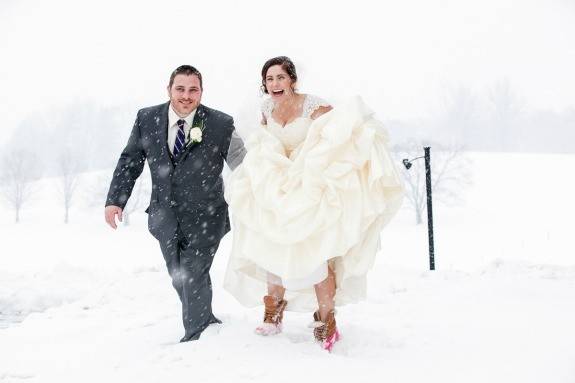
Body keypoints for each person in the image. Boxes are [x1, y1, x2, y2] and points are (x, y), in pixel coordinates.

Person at [224, 56, 404, 351]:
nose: (275, 84)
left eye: (280, 78)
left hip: (309, 184)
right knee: (271, 243)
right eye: (269, 79)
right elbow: (265, 141)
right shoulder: (266, 108)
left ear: (292, 80)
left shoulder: (314, 106)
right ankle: (273, 313)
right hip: (277, 184)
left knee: (316, 251)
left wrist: (314, 164)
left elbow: (337, 136)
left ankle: (326, 320)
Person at [105, 65, 246, 342]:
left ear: (201, 92)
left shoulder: (221, 124)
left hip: (207, 215)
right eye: (180, 88)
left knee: (193, 273)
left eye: (193, 89)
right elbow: (130, 160)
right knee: (179, 275)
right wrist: (115, 201)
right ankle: (206, 322)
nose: (186, 95)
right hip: (165, 216)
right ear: (169, 89)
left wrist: (259, 196)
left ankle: (196, 336)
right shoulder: (146, 119)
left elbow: (243, 164)